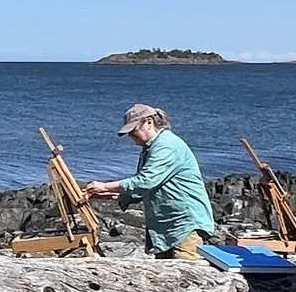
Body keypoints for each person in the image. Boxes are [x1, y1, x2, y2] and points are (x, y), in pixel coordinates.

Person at [83, 103, 217, 260]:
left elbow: (146, 180)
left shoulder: (167, 145)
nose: (132, 136)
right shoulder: (149, 149)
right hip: (166, 227)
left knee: (186, 273)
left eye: (134, 131)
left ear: (149, 122)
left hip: (184, 224)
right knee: (166, 276)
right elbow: (143, 189)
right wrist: (111, 195)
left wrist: (105, 185)